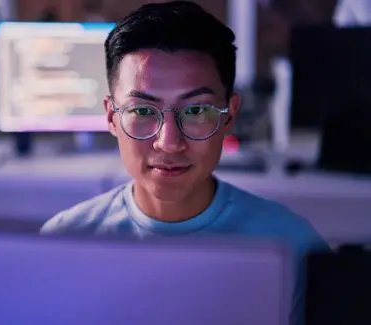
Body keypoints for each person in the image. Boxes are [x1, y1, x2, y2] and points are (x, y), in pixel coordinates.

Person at [41, 1, 328, 324]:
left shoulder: (292, 244)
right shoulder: (64, 242)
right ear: (111, 116)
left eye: (196, 111)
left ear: (230, 115)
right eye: (142, 111)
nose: (169, 142)